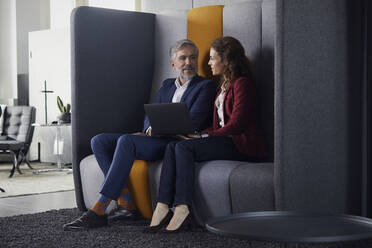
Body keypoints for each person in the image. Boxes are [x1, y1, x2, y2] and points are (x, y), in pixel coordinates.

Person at [63, 39, 217, 231]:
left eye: (193, 57)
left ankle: (100, 208)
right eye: (183, 58)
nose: (188, 62)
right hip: (155, 137)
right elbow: (150, 114)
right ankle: (126, 202)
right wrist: (148, 128)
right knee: (99, 141)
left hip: (174, 144)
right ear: (173, 64)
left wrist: (159, 129)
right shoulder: (167, 85)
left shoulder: (205, 87)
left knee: (126, 140)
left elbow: (193, 122)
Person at [144, 36, 267, 233]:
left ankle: (183, 207)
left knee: (183, 147)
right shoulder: (223, 86)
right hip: (225, 140)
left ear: (226, 60)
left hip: (242, 145)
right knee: (172, 145)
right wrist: (198, 134)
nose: (208, 63)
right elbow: (215, 125)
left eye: (212, 58)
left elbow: (237, 124)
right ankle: (163, 204)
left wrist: (204, 138)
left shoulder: (242, 84)